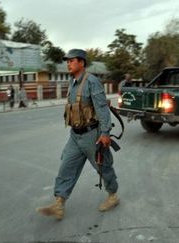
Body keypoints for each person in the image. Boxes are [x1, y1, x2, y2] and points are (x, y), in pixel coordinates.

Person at [36, 49, 119, 220]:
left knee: (103, 167)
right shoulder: (72, 82)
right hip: (75, 136)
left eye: (72, 60)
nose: (68, 63)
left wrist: (105, 133)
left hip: (92, 135)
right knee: (66, 166)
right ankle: (59, 203)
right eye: (67, 61)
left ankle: (113, 196)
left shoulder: (92, 82)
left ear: (81, 62)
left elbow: (102, 109)